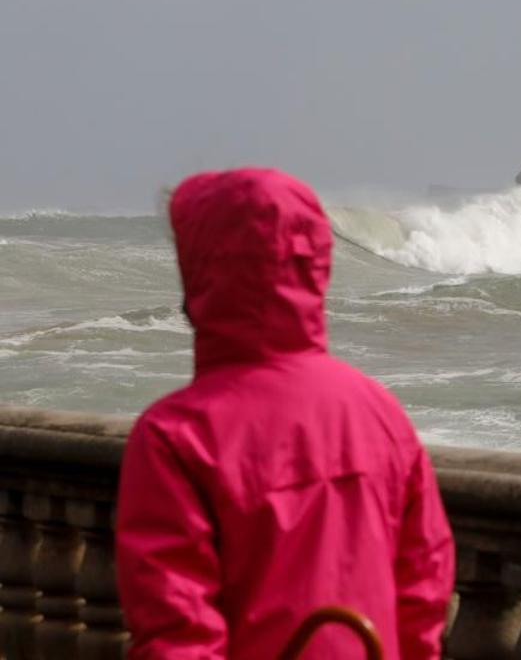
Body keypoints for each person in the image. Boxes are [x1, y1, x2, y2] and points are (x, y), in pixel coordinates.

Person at [116, 168, 455, 659]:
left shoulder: (176, 436)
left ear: (202, 272)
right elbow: (425, 582)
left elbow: (179, 634)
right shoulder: (378, 411)